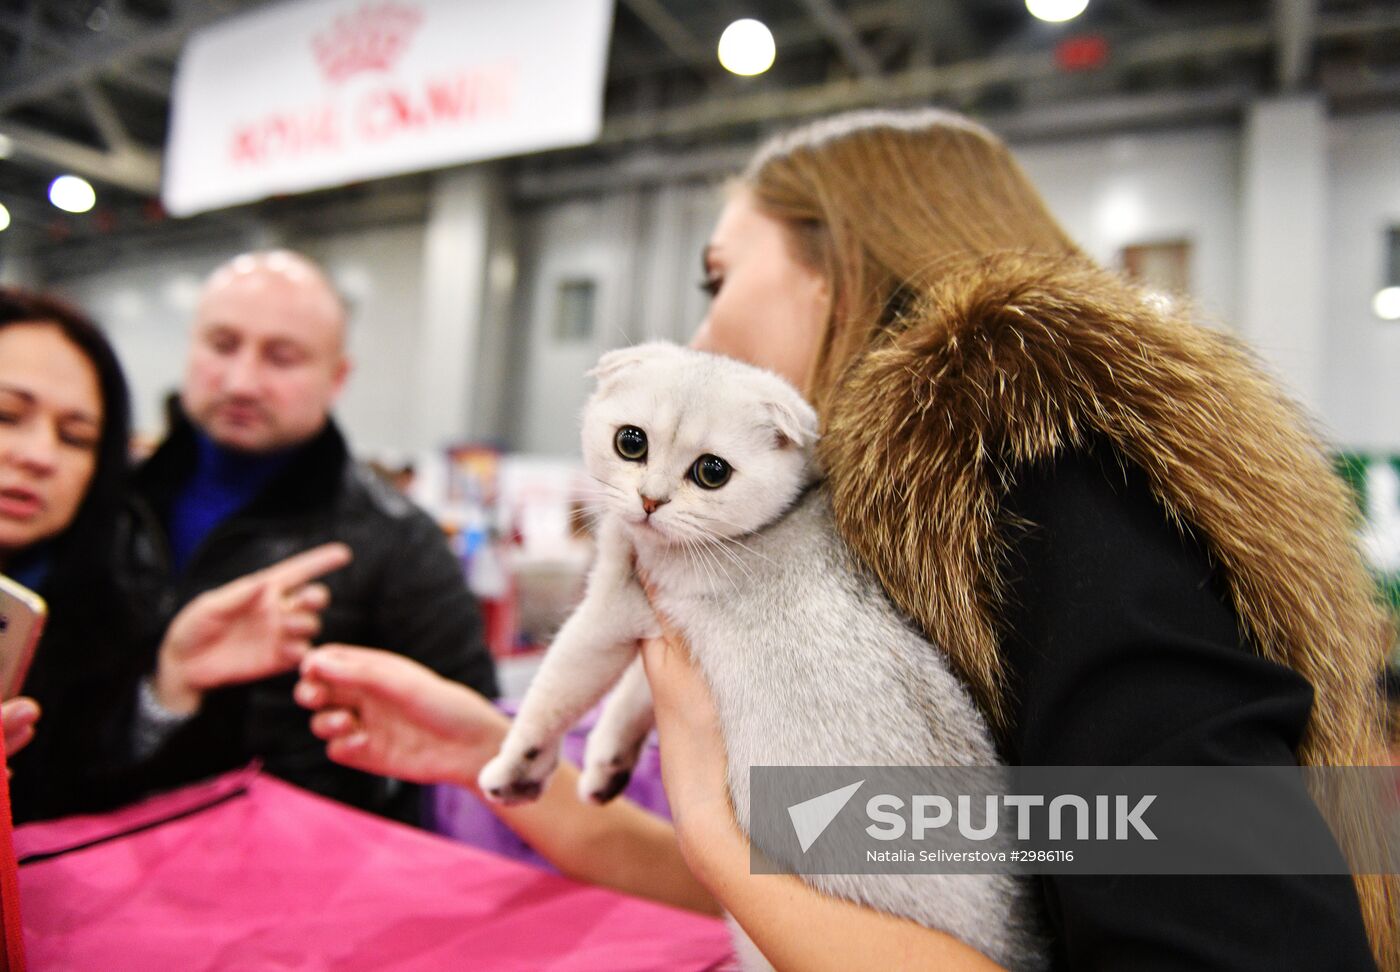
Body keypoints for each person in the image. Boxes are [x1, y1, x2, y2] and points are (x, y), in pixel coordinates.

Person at [294, 109, 1399, 969]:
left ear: (835, 269)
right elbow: (860, 897)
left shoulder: (1057, 481)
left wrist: (719, 826)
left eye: (718, 276)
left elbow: (1236, 945)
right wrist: (487, 757)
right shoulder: (879, 530)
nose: (700, 330)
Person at [118, 251, 498, 822]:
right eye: (222, 344)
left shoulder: (398, 541)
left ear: (337, 377)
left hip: (297, 856)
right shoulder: (114, 502)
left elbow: (474, 750)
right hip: (90, 840)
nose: (242, 381)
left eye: (282, 358)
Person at [0, 287, 345, 824]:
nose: (40, 455)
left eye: (76, 437)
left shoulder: (104, 597)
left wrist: (170, 685)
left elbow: (85, 793)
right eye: (6, 414)